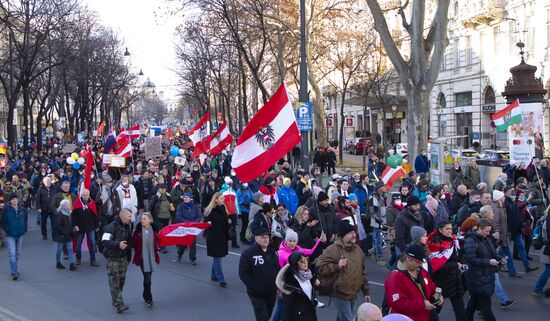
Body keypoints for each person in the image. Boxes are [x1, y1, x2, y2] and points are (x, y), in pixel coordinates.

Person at [315, 220, 371, 321]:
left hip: (353, 294)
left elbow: (362, 272)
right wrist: (337, 265)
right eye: (350, 233)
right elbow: (320, 267)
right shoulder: (333, 249)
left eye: (353, 232)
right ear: (342, 236)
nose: (353, 235)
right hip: (340, 294)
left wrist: (366, 292)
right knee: (349, 319)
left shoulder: (358, 250)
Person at [384, 244, 440, 321]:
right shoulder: (395, 277)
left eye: (421, 262)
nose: (421, 265)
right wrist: (422, 305)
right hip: (407, 318)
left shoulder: (421, 271)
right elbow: (397, 303)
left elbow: (431, 285)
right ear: (408, 259)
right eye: (418, 262)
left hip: (424, 316)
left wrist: (437, 294)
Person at [464, 219, 503, 321]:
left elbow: (493, 253)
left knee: (473, 303)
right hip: (477, 277)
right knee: (486, 307)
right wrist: (488, 262)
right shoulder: (471, 241)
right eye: (486, 231)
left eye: (489, 231)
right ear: (479, 229)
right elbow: (471, 259)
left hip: (485, 276)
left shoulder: (486, 239)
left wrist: (500, 260)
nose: (488, 233)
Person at [427, 221, 465, 321]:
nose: (450, 231)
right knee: (434, 310)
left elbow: (458, 257)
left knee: (461, 311)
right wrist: (455, 265)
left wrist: (462, 262)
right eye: (447, 229)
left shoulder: (454, 240)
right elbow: (435, 267)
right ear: (440, 230)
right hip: (440, 284)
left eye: (451, 229)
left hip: (455, 282)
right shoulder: (434, 243)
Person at [239, 227, 280, 321]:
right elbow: (243, 273)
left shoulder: (272, 251)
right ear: (256, 238)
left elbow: (277, 268)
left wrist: (278, 287)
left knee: (268, 314)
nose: (266, 239)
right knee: (262, 318)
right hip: (257, 295)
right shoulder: (248, 253)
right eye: (263, 237)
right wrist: (253, 287)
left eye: (267, 237)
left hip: (271, 292)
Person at [101, 208, 133, 313]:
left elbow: (129, 242)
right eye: (129, 216)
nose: (130, 218)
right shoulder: (110, 227)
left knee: (121, 281)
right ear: (123, 216)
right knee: (114, 282)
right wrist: (118, 244)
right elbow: (105, 242)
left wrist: (128, 257)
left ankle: (116, 300)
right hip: (112, 259)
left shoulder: (127, 226)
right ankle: (119, 304)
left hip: (123, 259)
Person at [276, 252, 319, 321]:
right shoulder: (291, 281)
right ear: (295, 263)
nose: (305, 263)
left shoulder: (310, 276)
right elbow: (287, 305)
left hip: (311, 314)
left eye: (306, 260)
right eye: (301, 261)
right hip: (298, 316)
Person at [131, 212, 160, 308]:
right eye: (141, 219)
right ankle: (148, 298)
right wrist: (136, 234)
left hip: (152, 258)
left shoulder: (155, 230)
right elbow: (133, 244)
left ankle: (145, 294)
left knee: (148, 278)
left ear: (150, 220)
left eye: (144, 219)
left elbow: (158, 242)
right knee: (147, 278)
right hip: (142, 258)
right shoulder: (138, 231)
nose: (142, 220)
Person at [203, 192, 231, 287]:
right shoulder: (210, 211)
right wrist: (208, 223)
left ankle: (213, 275)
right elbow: (205, 223)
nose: (224, 199)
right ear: (216, 200)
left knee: (217, 258)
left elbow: (224, 222)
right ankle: (221, 279)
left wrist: (228, 221)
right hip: (214, 237)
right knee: (217, 258)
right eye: (222, 198)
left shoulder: (223, 208)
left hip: (222, 236)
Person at [0, 193, 27, 280]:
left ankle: (15, 267)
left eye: (16, 199)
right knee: (12, 253)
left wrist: (24, 229)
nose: (15, 201)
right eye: (13, 199)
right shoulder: (6, 209)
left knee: (17, 253)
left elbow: (25, 219)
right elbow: (2, 221)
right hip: (10, 235)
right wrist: (7, 230)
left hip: (20, 234)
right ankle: (14, 272)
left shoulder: (22, 208)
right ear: (10, 200)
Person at [72, 189, 99, 267]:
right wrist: (75, 225)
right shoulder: (77, 203)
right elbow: (74, 216)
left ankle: (93, 259)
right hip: (80, 227)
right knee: (78, 244)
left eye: (87, 195)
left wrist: (97, 226)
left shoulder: (92, 203)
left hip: (90, 227)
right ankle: (78, 258)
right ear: (81, 195)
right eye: (84, 195)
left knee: (93, 243)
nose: (85, 196)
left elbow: (95, 215)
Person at [174, 193, 201, 264]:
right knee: (183, 242)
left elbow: (199, 216)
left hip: (193, 228)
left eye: (187, 197)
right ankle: (179, 255)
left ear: (190, 198)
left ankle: (192, 259)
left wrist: (194, 223)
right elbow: (178, 217)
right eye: (185, 197)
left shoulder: (195, 207)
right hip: (184, 227)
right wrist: (187, 223)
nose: (186, 198)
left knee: (192, 243)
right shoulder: (180, 206)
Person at [148, 184, 174, 253]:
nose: (163, 190)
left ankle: (160, 244)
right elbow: (149, 208)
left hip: (167, 217)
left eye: (164, 188)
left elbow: (172, 204)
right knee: (161, 232)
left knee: (164, 232)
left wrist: (172, 209)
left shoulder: (168, 196)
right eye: (161, 188)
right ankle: (162, 247)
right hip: (158, 218)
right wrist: (149, 217)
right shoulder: (155, 197)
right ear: (159, 189)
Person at [54, 199, 76, 271]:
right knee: (59, 250)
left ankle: (71, 264)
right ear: (64, 205)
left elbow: (70, 224)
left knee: (70, 249)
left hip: (68, 235)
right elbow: (57, 226)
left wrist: (71, 231)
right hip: (61, 235)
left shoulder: (69, 213)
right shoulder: (60, 214)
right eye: (67, 205)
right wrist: (64, 232)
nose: (68, 206)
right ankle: (58, 262)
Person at [368, 181, 387, 265]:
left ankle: (372, 251)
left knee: (377, 239)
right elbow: (373, 212)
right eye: (383, 186)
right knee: (378, 240)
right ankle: (380, 258)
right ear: (379, 188)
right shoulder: (374, 197)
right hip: (376, 222)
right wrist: (380, 220)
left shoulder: (381, 197)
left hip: (380, 221)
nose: (385, 187)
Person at [533, 210, 550, 297]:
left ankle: (539, 289)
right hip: (547, 249)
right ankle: (538, 289)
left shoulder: (545, 219)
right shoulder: (548, 221)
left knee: (548, 270)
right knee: (548, 271)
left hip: (546, 248)